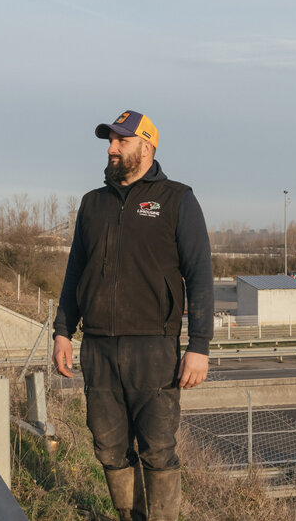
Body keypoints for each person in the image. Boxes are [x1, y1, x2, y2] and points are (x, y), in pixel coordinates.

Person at [52, 110, 214, 520]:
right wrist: (62, 332)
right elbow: (76, 271)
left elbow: (199, 274)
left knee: (158, 449)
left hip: (154, 350)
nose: (111, 149)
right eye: (110, 141)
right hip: (99, 348)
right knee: (108, 446)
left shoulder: (177, 199)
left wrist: (199, 346)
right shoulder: (93, 204)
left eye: (121, 141)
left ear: (146, 146)